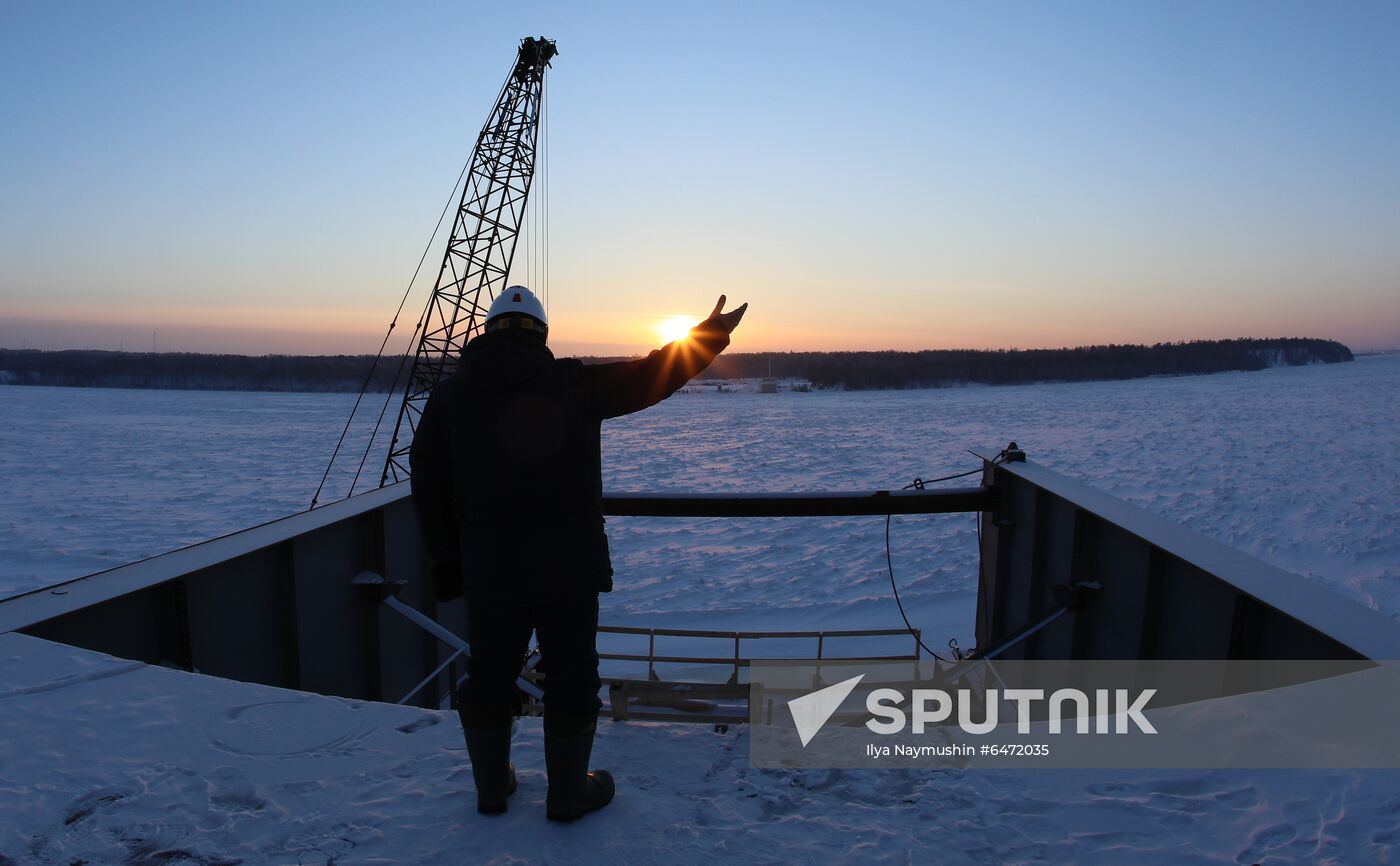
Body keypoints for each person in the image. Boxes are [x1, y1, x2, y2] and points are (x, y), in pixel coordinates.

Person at [409, 285, 746, 821]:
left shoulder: (450, 397)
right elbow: (650, 376)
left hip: (490, 569)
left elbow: (427, 485)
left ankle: (492, 787)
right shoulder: (571, 382)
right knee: (571, 677)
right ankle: (568, 792)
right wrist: (707, 336)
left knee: (490, 674)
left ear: (488, 332)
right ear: (540, 334)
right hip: (567, 567)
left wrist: (447, 565)